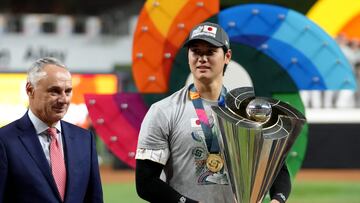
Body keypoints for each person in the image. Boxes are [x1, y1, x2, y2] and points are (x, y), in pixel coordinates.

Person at [135, 22, 291, 203]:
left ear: (227, 56)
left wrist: (277, 200)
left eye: (210, 52)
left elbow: (278, 170)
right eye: (195, 51)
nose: (202, 58)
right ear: (188, 56)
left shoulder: (249, 111)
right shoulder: (163, 111)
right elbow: (145, 183)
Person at [0, 57, 103, 202]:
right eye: (54, 92)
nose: (63, 100)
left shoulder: (84, 139)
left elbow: (94, 198)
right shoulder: (4, 141)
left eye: (67, 92)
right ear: (30, 90)